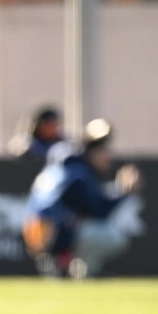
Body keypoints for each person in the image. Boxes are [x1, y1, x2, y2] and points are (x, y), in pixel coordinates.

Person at [22, 118, 145, 278]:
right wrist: (123, 191)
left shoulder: (66, 165)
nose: (108, 157)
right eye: (103, 151)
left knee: (82, 224)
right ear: (92, 153)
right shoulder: (79, 173)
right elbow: (99, 210)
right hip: (48, 233)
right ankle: (77, 269)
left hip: (35, 230)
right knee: (114, 236)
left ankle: (61, 263)